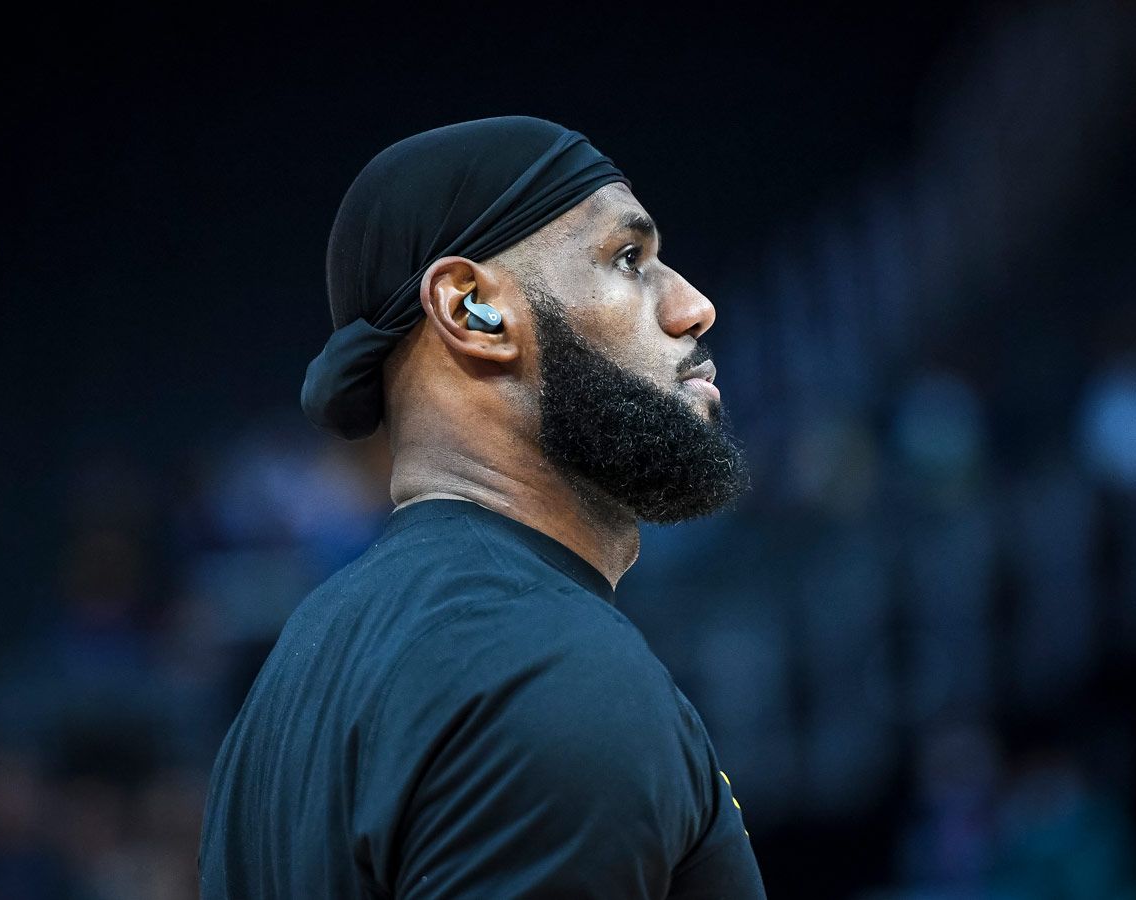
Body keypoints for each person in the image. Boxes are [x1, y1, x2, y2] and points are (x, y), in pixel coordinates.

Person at [198, 115, 765, 898]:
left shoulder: (289, 682)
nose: (693, 305)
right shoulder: (553, 667)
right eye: (628, 259)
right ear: (472, 311)